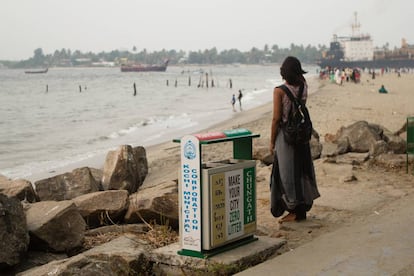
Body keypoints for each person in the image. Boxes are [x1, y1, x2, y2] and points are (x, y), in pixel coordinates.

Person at [269, 56, 320, 223]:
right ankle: (302, 208)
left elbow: (276, 119)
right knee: (301, 170)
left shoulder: (279, 91)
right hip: (301, 135)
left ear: (283, 72)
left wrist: (272, 141)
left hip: (287, 136)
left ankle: (293, 211)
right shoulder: (303, 86)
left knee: (286, 173)